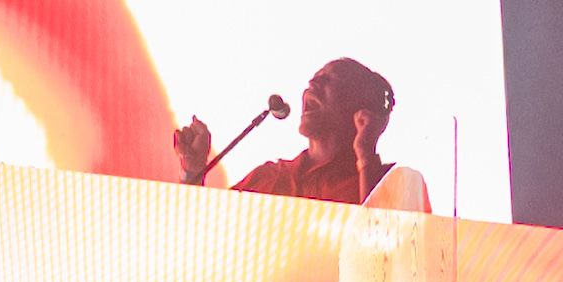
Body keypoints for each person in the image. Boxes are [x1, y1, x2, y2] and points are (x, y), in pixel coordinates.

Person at [174, 58, 407, 204]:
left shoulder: (388, 185)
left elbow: (382, 259)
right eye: (313, 80)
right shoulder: (268, 178)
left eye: (330, 80)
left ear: (359, 108)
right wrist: (193, 171)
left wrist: (366, 155)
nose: (312, 86)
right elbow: (203, 238)